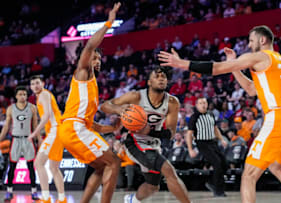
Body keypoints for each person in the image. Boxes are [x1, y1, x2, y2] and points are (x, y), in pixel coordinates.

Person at [158, 25, 281, 203]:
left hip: (279, 117)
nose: (249, 45)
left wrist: (182, 64)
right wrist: (235, 65)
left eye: (251, 41)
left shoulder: (259, 56)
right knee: (276, 166)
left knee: (248, 175)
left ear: (262, 40)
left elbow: (218, 68)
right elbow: (251, 89)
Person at [58, 3, 122, 203]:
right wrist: (109, 21)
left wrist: (112, 127)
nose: (97, 60)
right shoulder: (82, 73)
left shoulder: (92, 90)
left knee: (102, 166)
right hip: (72, 128)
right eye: (95, 57)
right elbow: (89, 46)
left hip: (75, 128)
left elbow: (92, 125)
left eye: (99, 59)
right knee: (114, 162)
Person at [100, 66, 191, 203]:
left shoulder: (172, 103)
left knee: (152, 187)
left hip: (153, 144)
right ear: (149, 82)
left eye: (164, 77)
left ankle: (132, 200)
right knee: (169, 171)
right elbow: (105, 106)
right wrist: (118, 109)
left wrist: (149, 131)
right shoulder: (136, 96)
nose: (161, 79)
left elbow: (170, 134)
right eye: (157, 76)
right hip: (134, 142)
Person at [28, 75, 66, 203]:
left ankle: (46, 198)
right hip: (56, 131)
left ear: (43, 83)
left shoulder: (43, 94)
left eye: (37, 83)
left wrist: (34, 134)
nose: (35, 86)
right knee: (54, 168)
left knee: (39, 163)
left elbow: (46, 117)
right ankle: (61, 199)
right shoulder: (43, 95)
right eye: (33, 84)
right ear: (30, 87)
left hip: (55, 131)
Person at [0, 86, 41, 201]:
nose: (23, 96)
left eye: (25, 94)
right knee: (12, 167)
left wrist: (40, 140)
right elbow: (6, 127)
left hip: (28, 139)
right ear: (16, 96)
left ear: (27, 96)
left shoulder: (32, 108)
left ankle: (34, 191)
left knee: (31, 167)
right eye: (20, 94)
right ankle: (9, 191)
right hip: (15, 140)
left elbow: (35, 126)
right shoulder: (10, 109)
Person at [186, 97, 228, 197]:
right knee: (217, 163)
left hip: (212, 142)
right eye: (200, 103)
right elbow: (189, 134)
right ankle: (218, 191)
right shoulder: (194, 117)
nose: (203, 105)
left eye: (204, 102)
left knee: (224, 163)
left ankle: (212, 182)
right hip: (202, 143)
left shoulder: (211, 114)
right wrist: (190, 149)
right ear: (197, 105)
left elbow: (215, 128)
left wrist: (221, 139)